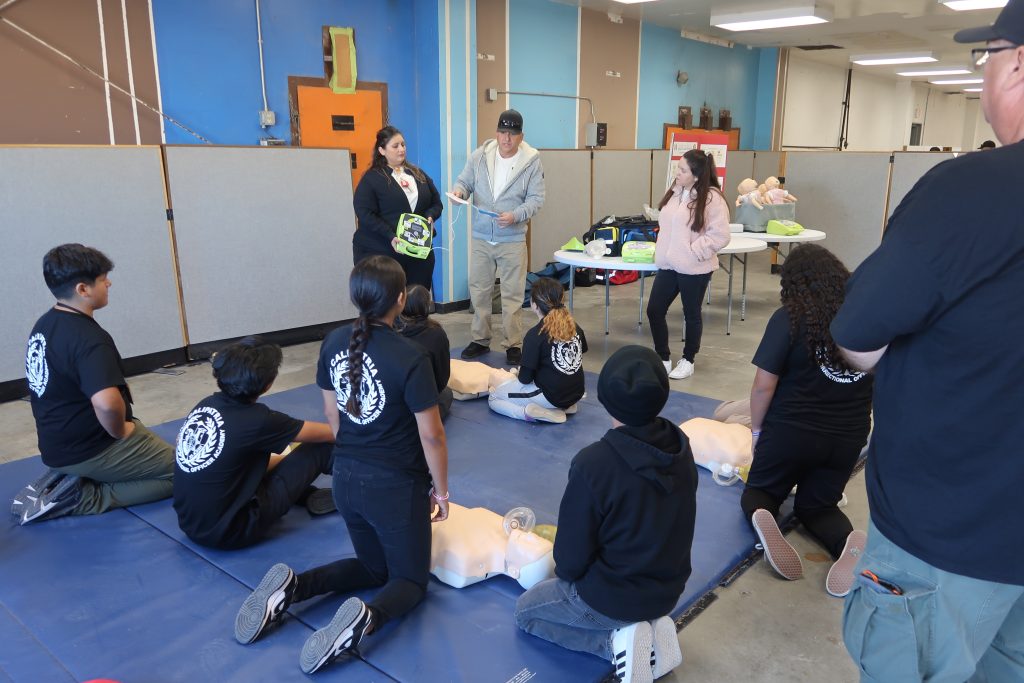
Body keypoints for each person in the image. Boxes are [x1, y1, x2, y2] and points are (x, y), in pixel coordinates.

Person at [830, 2, 1024, 679]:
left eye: (988, 58)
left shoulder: (971, 190)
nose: (983, 78)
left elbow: (857, 331)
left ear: (1019, 64)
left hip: (944, 537)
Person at [234, 255, 450, 676]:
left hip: (346, 481)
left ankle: (295, 588)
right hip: (394, 488)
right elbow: (432, 436)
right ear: (401, 298)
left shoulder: (333, 342)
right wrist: (440, 491)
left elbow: (334, 419)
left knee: (373, 568)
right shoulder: (411, 355)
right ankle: (366, 619)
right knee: (407, 582)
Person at [515, 346, 697, 683]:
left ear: (606, 399)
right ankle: (652, 634)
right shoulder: (681, 446)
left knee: (527, 613)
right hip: (669, 589)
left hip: (613, 598)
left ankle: (614, 644)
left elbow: (570, 562)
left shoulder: (594, 463)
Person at [738, 245, 873, 597]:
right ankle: (847, 542)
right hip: (847, 437)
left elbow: (763, 387)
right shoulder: (867, 320)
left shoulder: (790, 318)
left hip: (791, 433)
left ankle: (765, 519)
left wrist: (756, 431)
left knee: (761, 492)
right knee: (818, 506)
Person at [13, 244, 175, 524]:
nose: (109, 283)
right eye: (102, 279)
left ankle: (75, 476)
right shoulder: (88, 339)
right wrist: (121, 431)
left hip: (57, 446)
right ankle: (83, 498)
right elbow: (106, 403)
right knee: (192, 471)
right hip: (92, 447)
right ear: (83, 290)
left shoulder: (44, 324)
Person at [172, 336, 337, 550]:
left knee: (276, 456)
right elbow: (334, 433)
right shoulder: (260, 421)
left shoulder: (205, 405)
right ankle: (359, 492)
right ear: (267, 385)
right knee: (320, 448)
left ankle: (307, 495)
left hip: (192, 525)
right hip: (233, 532)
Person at [452, 109, 546, 366]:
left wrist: (515, 215)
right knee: (479, 291)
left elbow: (537, 200)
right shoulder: (480, 156)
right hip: (482, 237)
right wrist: (459, 192)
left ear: (521, 136)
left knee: (512, 295)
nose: (507, 139)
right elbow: (464, 182)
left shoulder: (532, 161)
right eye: (503, 132)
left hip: (512, 239)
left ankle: (513, 343)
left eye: (513, 134)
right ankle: (480, 339)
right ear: (496, 133)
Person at [646, 149, 731, 381]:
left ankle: (688, 360)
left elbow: (720, 235)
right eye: (678, 168)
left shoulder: (712, 198)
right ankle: (662, 358)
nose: (677, 173)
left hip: (694, 267)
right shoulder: (675, 193)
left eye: (683, 170)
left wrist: (694, 252)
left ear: (696, 174)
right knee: (654, 310)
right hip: (668, 264)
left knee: (691, 313)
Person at [353, 126, 443, 290]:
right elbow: (364, 212)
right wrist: (390, 235)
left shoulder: (418, 173)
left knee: (416, 299)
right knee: (388, 302)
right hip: (384, 250)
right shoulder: (372, 178)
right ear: (382, 150)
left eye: (403, 144)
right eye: (395, 146)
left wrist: (430, 216)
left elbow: (437, 203)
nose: (401, 149)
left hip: (418, 252)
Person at [489, 277, 586, 424]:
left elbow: (525, 379)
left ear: (534, 305)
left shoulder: (535, 335)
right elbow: (578, 355)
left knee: (495, 397)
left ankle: (530, 413)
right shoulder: (575, 326)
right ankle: (565, 407)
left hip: (552, 395)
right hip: (576, 392)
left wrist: (520, 372)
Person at [397, 284, 453, 420]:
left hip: (392, 404)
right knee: (447, 393)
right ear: (427, 306)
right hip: (420, 405)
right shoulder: (436, 333)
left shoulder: (389, 331)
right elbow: (442, 380)